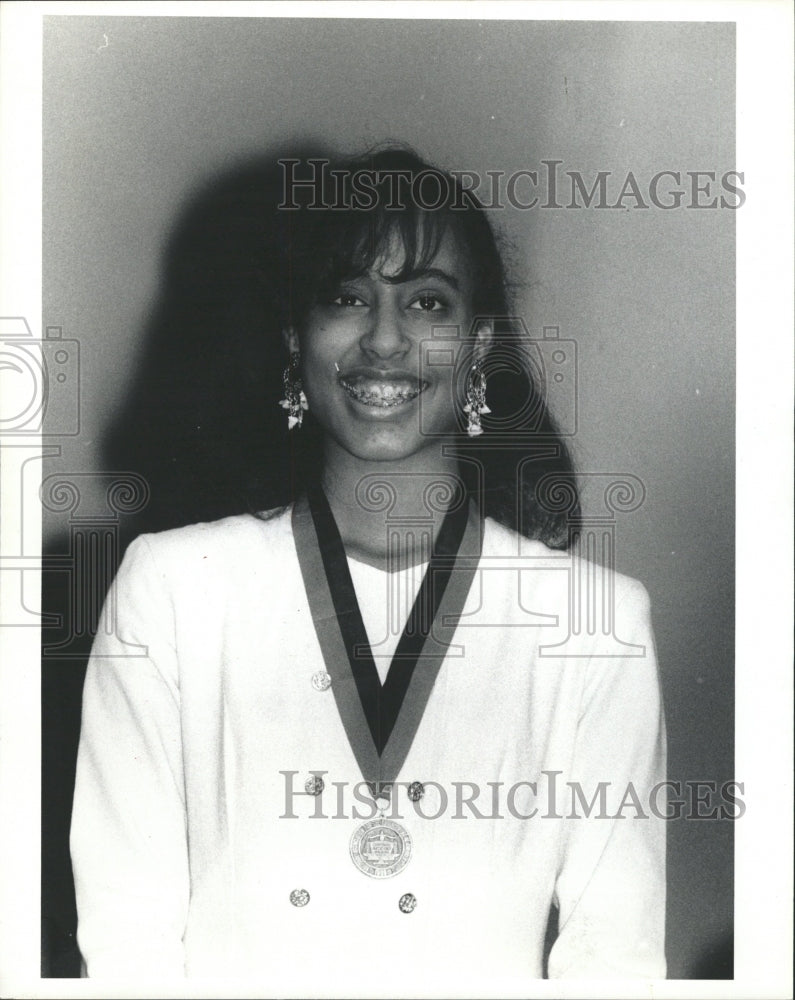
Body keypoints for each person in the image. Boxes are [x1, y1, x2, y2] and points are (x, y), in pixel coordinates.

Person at [70, 147, 666, 991]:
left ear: (479, 344)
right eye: (346, 298)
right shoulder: (172, 590)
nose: (383, 340)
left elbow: (616, 960)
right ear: (295, 340)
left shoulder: (595, 622)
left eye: (427, 302)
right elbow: (128, 939)